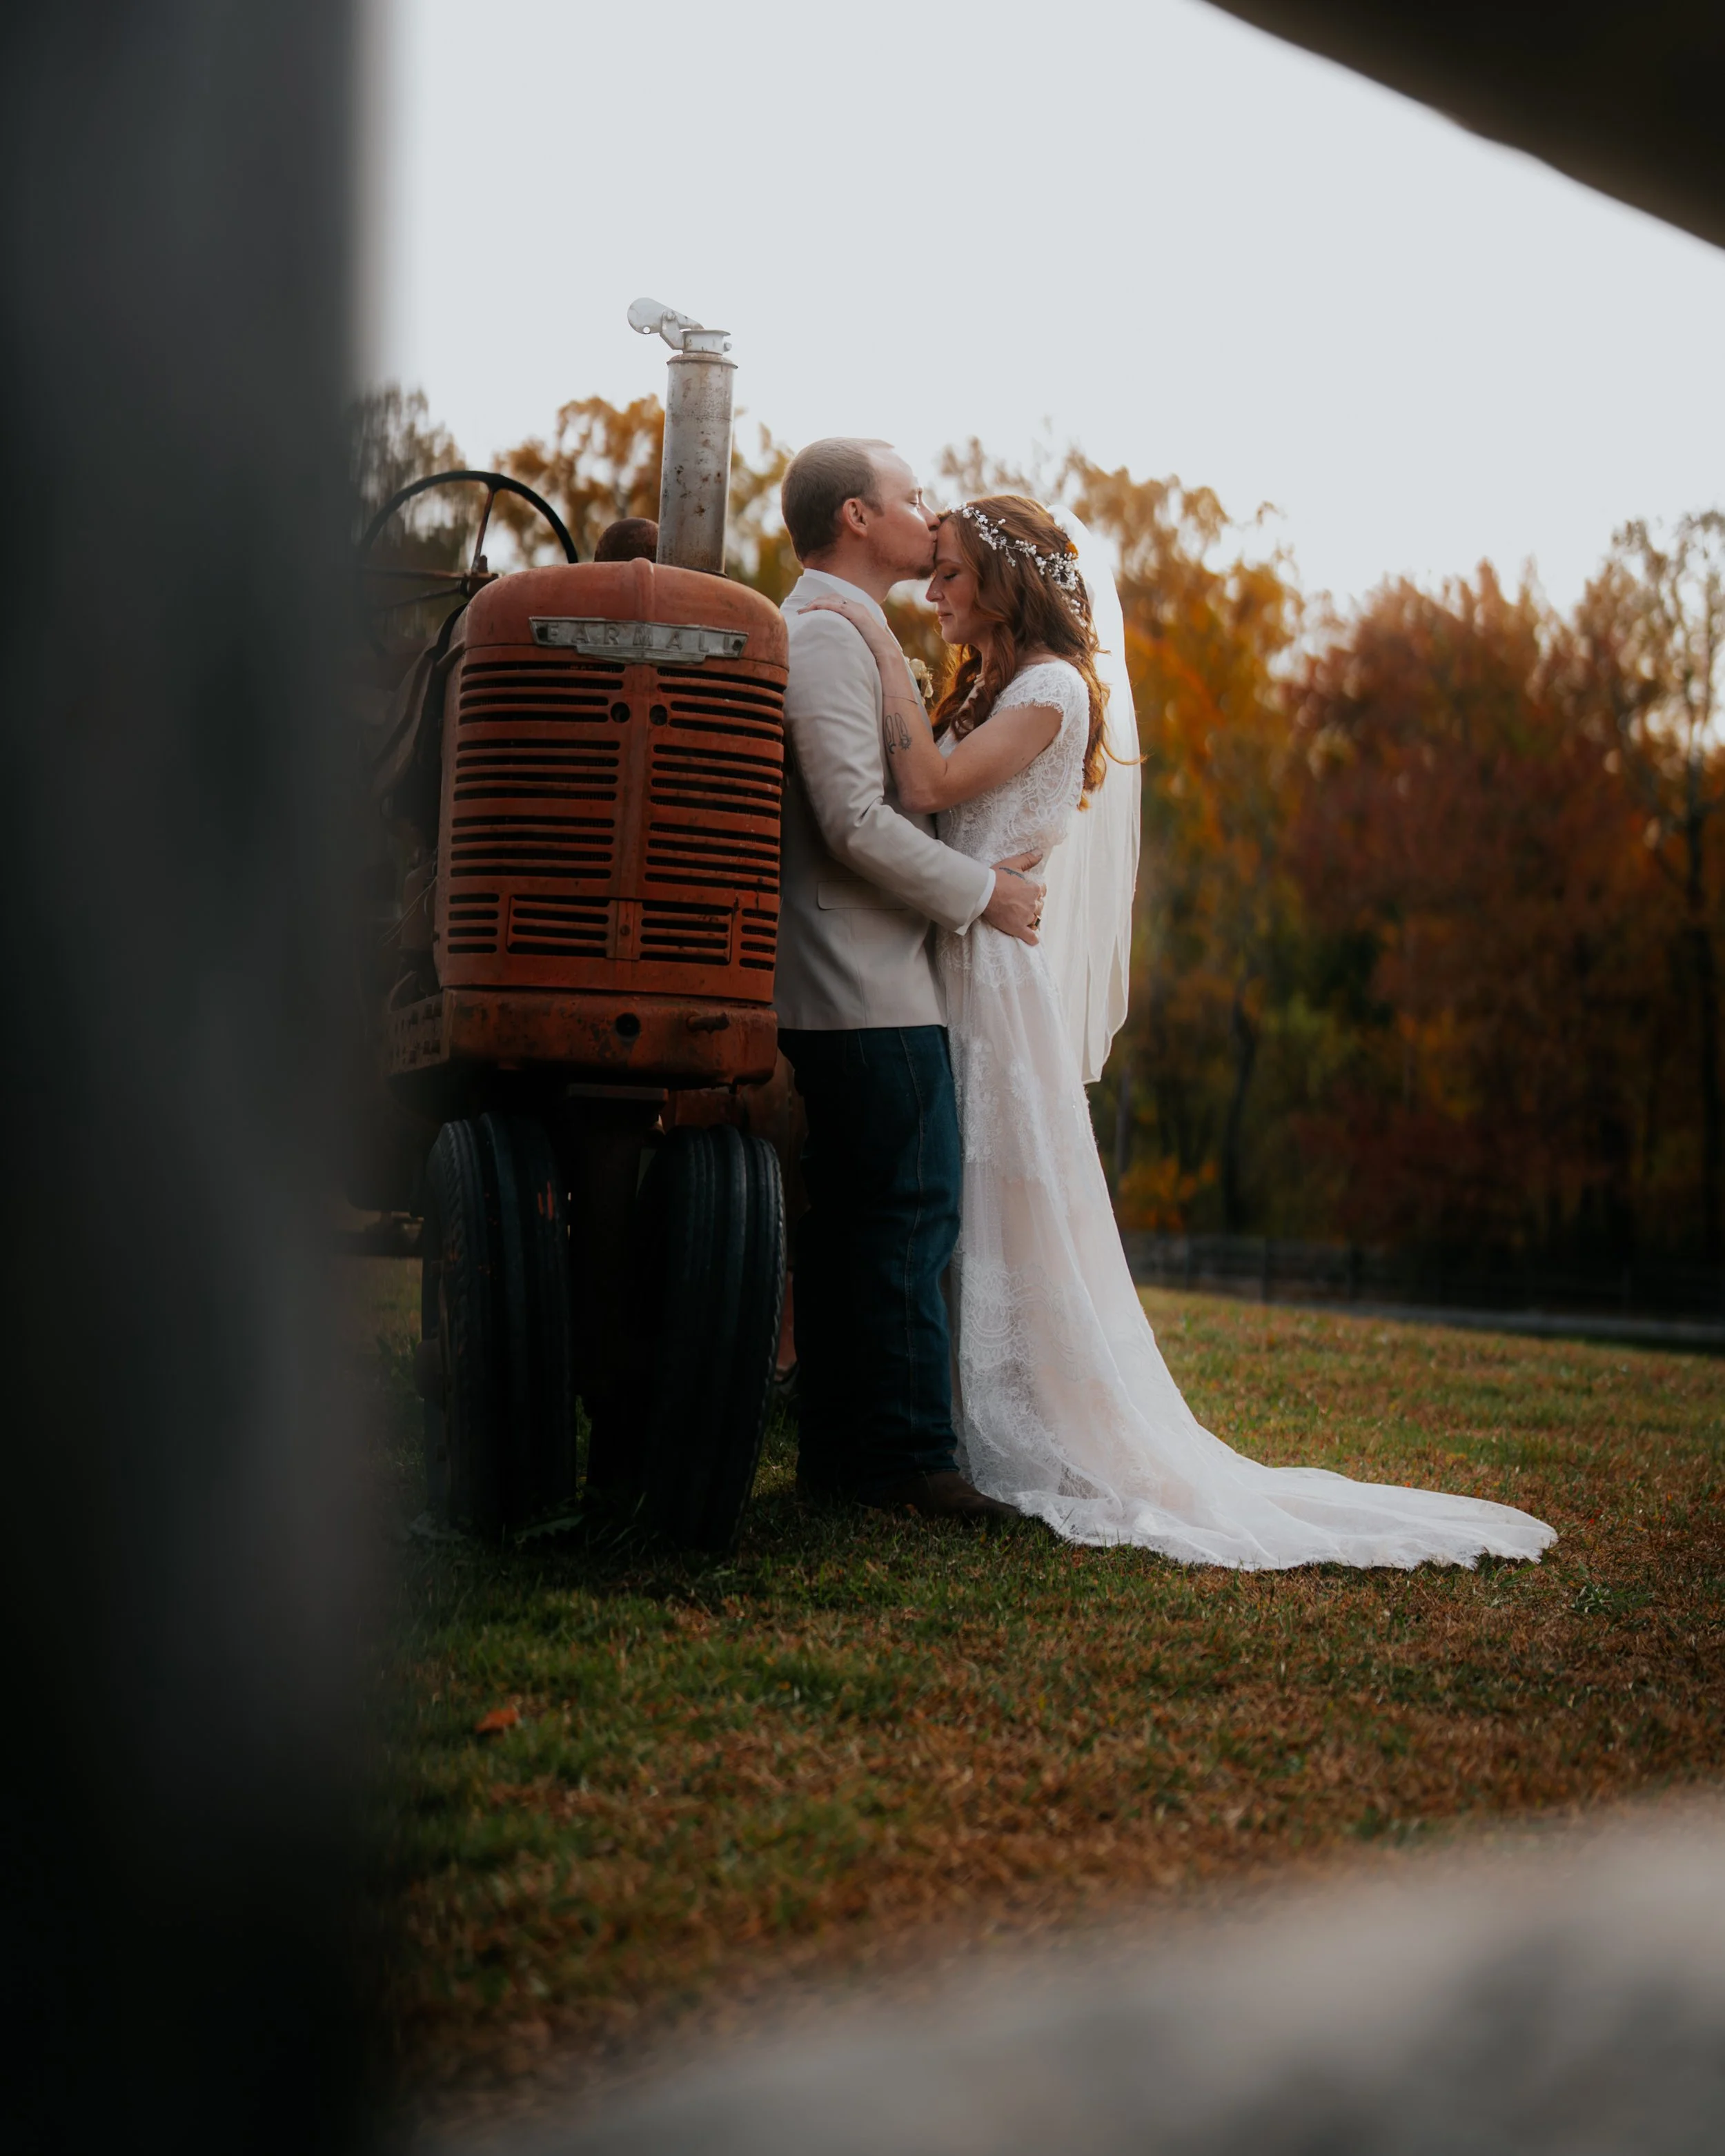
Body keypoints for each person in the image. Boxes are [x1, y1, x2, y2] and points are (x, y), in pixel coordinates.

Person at [804, 494, 1555, 1568]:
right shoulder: (989, 689)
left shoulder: (1054, 689)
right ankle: (931, 1423)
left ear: (1008, 584)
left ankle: (1016, 1430)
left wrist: (865, 633)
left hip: (991, 982)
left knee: (995, 1205)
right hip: (948, 958)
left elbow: (923, 785)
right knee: (945, 1206)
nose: (935, 595)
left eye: (954, 575)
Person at [774, 439, 1043, 1521]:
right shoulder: (832, 639)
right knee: (909, 1221)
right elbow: (850, 823)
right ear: (855, 517)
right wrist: (984, 892)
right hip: (864, 986)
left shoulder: (840, 626)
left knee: (857, 1230)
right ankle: (912, 1463)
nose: (925, 517)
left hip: (859, 980)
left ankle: (844, 1460)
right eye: (908, 498)